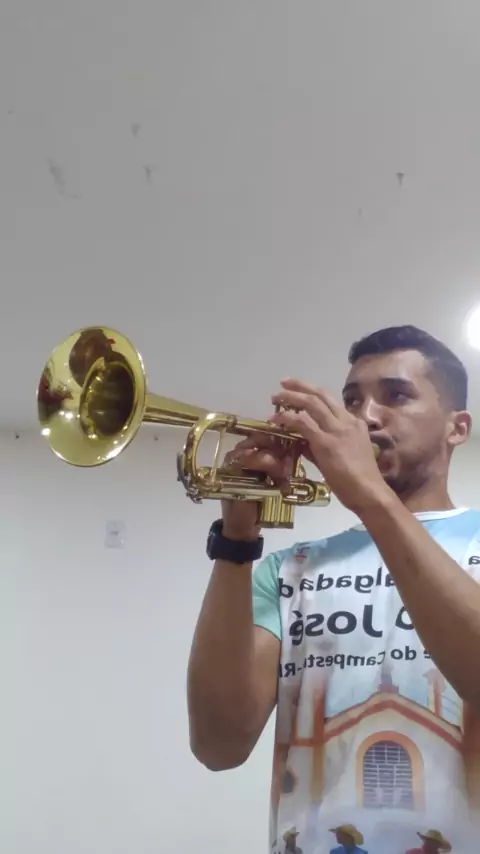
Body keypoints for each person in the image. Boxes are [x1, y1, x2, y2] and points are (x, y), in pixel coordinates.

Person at [187, 325, 480, 853]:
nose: (365, 417)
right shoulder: (288, 569)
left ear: (457, 428)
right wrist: (236, 539)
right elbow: (218, 745)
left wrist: (369, 496)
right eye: (352, 400)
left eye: (396, 395)